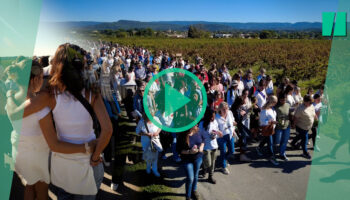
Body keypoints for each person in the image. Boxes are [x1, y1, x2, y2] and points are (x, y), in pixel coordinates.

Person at [23, 44, 113, 199]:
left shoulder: (49, 94)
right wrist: (95, 155)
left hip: (63, 165)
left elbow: (17, 112)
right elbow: (107, 130)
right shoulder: (92, 91)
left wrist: (27, 91)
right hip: (89, 165)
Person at [177, 125, 204, 200]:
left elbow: (203, 141)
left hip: (198, 158)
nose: (197, 125)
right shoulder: (182, 135)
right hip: (187, 160)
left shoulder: (198, 131)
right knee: (190, 178)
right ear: (190, 125)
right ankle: (188, 196)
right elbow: (179, 150)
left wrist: (201, 147)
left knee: (195, 176)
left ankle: (194, 191)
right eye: (195, 124)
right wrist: (189, 152)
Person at [199, 109, 222, 184]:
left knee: (212, 163)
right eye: (212, 117)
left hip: (214, 146)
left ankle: (210, 177)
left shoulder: (215, 122)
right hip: (206, 147)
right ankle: (204, 167)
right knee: (208, 163)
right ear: (208, 116)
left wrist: (217, 135)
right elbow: (199, 135)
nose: (213, 118)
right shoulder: (202, 124)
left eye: (214, 116)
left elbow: (217, 131)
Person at [291, 95, 316, 159]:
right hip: (301, 126)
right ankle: (305, 153)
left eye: (311, 102)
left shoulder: (311, 106)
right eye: (310, 102)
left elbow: (313, 113)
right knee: (305, 139)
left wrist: (316, 119)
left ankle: (293, 143)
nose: (311, 104)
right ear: (305, 101)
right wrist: (293, 125)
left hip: (308, 126)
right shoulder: (300, 108)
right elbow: (295, 118)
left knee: (301, 136)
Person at [256, 95, 279, 165]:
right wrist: (272, 122)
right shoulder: (264, 111)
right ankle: (271, 157)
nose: (276, 104)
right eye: (275, 103)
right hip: (268, 128)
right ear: (272, 102)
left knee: (266, 139)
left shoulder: (271, 109)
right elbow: (262, 122)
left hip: (272, 127)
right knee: (270, 143)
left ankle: (259, 147)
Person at [216, 102, 236, 174]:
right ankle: (223, 167)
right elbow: (215, 127)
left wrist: (233, 130)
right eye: (223, 109)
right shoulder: (217, 117)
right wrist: (218, 132)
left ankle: (223, 159)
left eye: (226, 109)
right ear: (220, 109)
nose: (225, 110)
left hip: (230, 134)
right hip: (221, 137)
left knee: (232, 151)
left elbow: (233, 121)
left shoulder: (230, 113)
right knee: (223, 151)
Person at [274, 93, 291, 161]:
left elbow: (290, 114)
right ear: (279, 100)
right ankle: (272, 151)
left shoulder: (287, 105)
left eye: (284, 100)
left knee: (285, 141)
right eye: (281, 100)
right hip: (278, 127)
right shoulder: (276, 107)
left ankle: (282, 154)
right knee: (277, 141)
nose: (283, 101)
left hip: (287, 126)